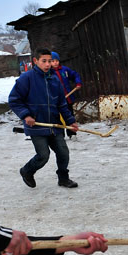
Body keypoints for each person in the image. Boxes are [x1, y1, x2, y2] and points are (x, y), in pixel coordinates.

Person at [9, 48, 79, 189]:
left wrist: (70, 120)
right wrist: (26, 115)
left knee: (63, 153)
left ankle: (63, 178)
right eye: (44, 61)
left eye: (50, 61)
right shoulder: (26, 78)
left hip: (54, 125)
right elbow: (14, 100)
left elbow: (62, 104)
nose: (48, 64)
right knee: (43, 156)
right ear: (35, 61)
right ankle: (27, 171)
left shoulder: (55, 80)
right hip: (36, 126)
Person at [50, 51, 82, 137]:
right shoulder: (49, 73)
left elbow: (75, 75)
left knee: (69, 114)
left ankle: (71, 133)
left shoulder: (64, 70)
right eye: (53, 61)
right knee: (58, 117)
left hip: (68, 98)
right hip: (57, 100)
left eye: (57, 60)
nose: (55, 63)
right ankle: (60, 134)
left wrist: (78, 82)